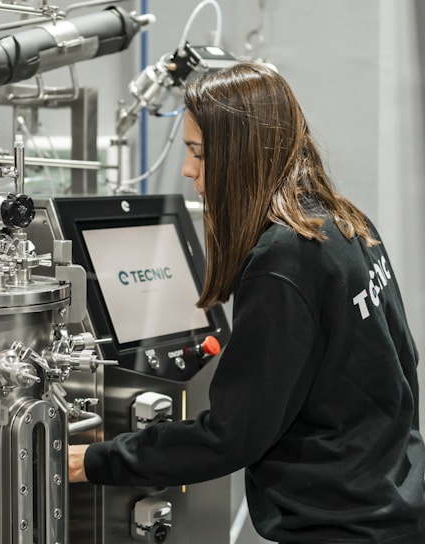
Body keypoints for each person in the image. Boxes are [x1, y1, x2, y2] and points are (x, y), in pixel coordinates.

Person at [68, 62, 425, 543]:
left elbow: (231, 435)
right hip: (394, 501)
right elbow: (405, 363)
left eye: (197, 152)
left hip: (343, 525)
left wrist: (95, 460)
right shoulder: (346, 223)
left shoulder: (285, 258)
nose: (187, 168)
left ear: (240, 153)